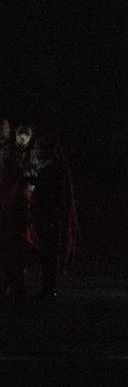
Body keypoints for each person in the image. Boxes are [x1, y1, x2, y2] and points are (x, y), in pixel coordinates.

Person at [1, 123, 78, 300]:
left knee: (44, 253)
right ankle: (21, 288)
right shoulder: (23, 159)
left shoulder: (48, 166)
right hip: (24, 213)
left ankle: (44, 289)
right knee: (20, 251)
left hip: (42, 216)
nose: (25, 141)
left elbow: (49, 191)